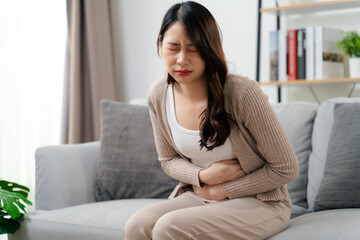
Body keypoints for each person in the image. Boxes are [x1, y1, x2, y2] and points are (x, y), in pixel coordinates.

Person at [124, 1, 298, 239]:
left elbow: (286, 168)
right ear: (161, 46)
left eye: (194, 49)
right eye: (173, 48)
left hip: (261, 201)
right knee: (137, 226)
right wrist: (202, 176)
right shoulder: (158, 94)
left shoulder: (242, 92)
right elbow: (168, 159)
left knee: (168, 227)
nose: (182, 59)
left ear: (210, 49)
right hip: (201, 193)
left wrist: (226, 190)